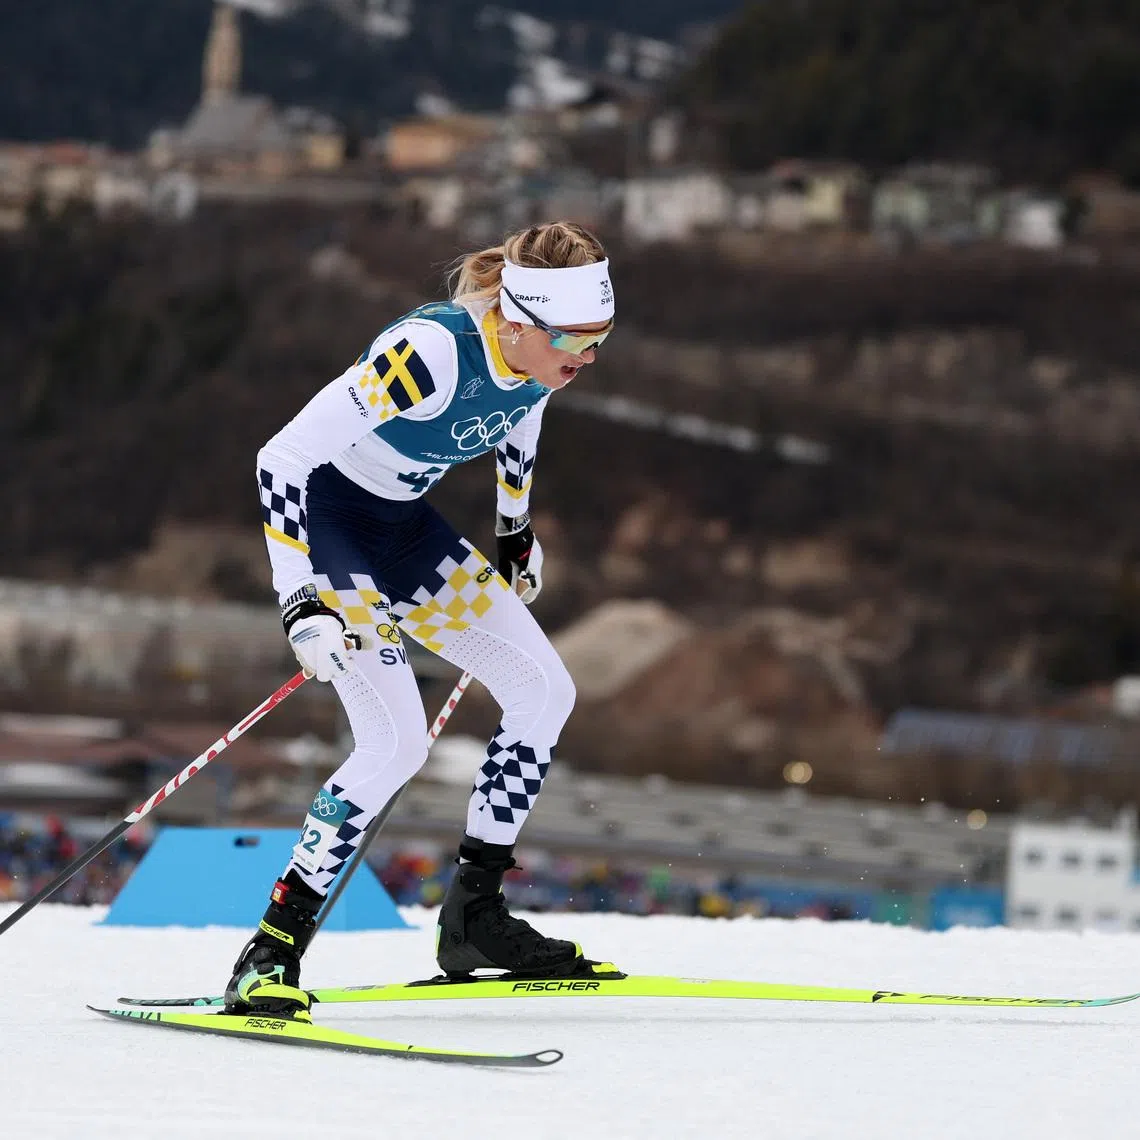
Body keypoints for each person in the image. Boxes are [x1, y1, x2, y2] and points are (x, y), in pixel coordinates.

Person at [224, 221, 616, 1020]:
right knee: (396, 740)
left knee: (546, 691)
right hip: (329, 524)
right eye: (576, 340)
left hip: (404, 530)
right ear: (518, 322)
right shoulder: (430, 355)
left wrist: (514, 526)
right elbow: (281, 459)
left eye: (601, 340)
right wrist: (298, 597)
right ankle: (270, 950)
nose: (587, 359)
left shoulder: (541, 357)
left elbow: (525, 409)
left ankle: (474, 919)